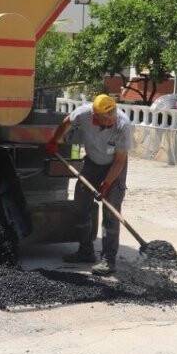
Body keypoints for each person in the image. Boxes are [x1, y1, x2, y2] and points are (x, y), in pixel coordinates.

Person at [45, 94, 131, 276]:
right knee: (80, 204)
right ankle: (85, 251)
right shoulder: (83, 114)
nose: (111, 120)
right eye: (106, 118)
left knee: (111, 211)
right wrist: (55, 140)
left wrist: (106, 184)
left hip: (114, 167)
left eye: (113, 116)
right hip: (92, 163)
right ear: (95, 116)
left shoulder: (122, 125)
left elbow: (119, 161)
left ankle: (108, 260)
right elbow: (66, 122)